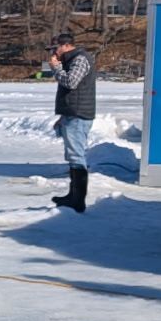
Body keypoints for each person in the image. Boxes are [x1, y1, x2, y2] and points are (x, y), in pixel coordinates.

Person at [46, 30, 96, 211]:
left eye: (55, 48)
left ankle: (78, 200)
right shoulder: (72, 59)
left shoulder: (80, 59)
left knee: (76, 156)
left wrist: (56, 68)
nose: (53, 53)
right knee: (73, 156)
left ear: (66, 45)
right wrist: (63, 115)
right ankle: (72, 195)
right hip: (72, 113)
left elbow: (71, 82)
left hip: (79, 115)